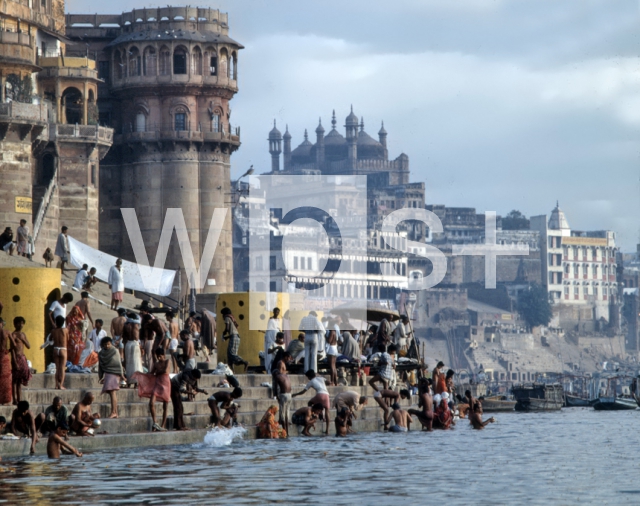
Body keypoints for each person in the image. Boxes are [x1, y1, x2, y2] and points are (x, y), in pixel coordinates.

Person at [135, 348, 172, 431]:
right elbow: (151, 374)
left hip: (166, 384)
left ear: (164, 355)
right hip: (158, 384)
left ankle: (163, 425)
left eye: (160, 356)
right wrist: (141, 376)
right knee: (151, 403)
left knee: (165, 406)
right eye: (158, 356)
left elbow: (165, 370)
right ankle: (155, 422)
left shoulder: (168, 361)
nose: (159, 358)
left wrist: (158, 372)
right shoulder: (156, 364)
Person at [292, 369, 330, 435]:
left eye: (308, 377)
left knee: (310, 403)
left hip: (319, 395)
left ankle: (314, 414)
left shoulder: (311, 382)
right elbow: (329, 382)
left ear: (309, 377)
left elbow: (303, 392)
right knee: (327, 412)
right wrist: (322, 380)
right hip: (326, 395)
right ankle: (327, 430)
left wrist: (295, 394)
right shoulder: (320, 378)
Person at [98, 337, 126, 419]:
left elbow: (118, 364)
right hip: (107, 373)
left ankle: (113, 412)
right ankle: (115, 412)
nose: (107, 346)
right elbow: (100, 365)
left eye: (108, 344)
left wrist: (122, 375)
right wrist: (100, 376)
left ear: (111, 343)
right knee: (111, 393)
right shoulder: (101, 353)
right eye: (105, 344)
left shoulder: (114, 351)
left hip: (114, 373)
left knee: (112, 392)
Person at [9, 316, 31, 404]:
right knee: (15, 380)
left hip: (22, 358)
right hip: (16, 358)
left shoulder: (23, 335)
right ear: (15, 324)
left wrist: (23, 339)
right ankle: (14, 399)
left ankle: (19, 399)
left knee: (20, 381)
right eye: (19, 323)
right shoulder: (13, 335)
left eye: (22, 323)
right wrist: (14, 361)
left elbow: (28, 346)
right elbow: (12, 350)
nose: (21, 325)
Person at [221, 307, 248, 372]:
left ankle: (244, 362)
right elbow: (232, 333)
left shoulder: (227, 318)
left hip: (234, 337)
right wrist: (226, 337)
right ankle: (232, 371)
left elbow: (227, 329)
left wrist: (223, 333)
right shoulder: (231, 318)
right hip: (236, 337)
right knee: (230, 356)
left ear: (224, 314)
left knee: (231, 354)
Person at [124, 313, 143, 385]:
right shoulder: (135, 325)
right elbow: (136, 337)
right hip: (134, 343)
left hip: (128, 344)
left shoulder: (125, 325)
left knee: (129, 363)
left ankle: (129, 381)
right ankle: (136, 382)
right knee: (136, 363)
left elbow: (124, 337)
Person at [272, 368, 291, 435]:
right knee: (287, 415)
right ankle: (287, 432)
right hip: (289, 395)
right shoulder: (285, 375)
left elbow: (275, 388)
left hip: (284, 395)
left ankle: (285, 432)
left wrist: (277, 397)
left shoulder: (277, 377)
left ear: (275, 374)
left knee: (282, 415)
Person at [51, 315, 68, 389]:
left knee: (57, 368)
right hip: (63, 349)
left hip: (55, 349)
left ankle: (56, 385)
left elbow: (50, 338)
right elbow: (68, 338)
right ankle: (61, 385)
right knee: (62, 368)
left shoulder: (53, 331)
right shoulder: (65, 330)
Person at [263, 307, 281, 374]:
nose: (277, 313)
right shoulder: (271, 319)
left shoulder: (278, 320)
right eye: (276, 312)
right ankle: (269, 370)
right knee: (270, 356)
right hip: (271, 338)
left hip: (276, 339)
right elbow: (269, 329)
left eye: (278, 312)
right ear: (273, 312)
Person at [0, 317, 13, 405]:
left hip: (2, 355)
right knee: (6, 378)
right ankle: (5, 399)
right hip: (4, 355)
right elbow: (14, 345)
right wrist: (9, 350)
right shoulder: (7, 332)